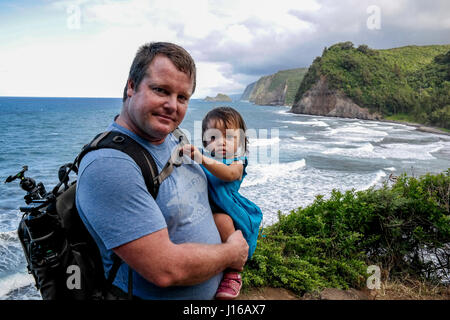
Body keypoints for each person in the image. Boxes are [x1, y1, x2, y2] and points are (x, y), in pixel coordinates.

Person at [75, 42, 248, 300]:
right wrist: (232, 253)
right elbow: (165, 269)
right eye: (160, 90)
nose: (172, 106)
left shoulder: (173, 137)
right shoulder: (109, 167)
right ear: (131, 86)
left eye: (182, 97)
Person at [182, 107, 263, 299]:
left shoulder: (237, 160)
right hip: (202, 205)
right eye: (213, 137)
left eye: (229, 137)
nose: (221, 143)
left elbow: (229, 175)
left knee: (223, 221)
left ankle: (234, 273)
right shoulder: (204, 155)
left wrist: (201, 159)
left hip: (226, 208)